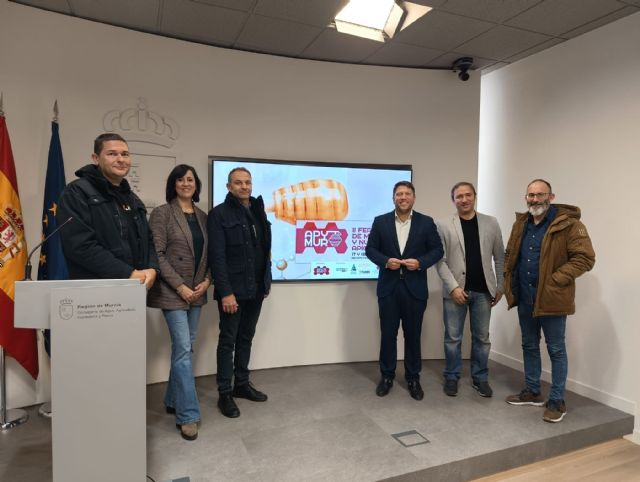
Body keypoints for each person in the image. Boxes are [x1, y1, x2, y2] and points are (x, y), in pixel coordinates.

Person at [504, 179, 595, 423]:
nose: (534, 199)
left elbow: (585, 258)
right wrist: (507, 278)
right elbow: (511, 254)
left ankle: (557, 401)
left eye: (540, 195)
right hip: (525, 297)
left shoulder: (569, 224)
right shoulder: (521, 223)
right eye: (530, 195)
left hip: (552, 298)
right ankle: (533, 391)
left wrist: (556, 279)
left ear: (551, 197)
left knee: (556, 349)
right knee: (529, 345)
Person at [147, 165, 211, 441]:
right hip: (172, 291)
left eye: (190, 180)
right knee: (184, 349)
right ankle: (188, 415)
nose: (186, 183)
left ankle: (173, 399)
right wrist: (180, 287)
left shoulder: (203, 216)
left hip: (197, 290)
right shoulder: (162, 213)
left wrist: (206, 281)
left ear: (196, 185)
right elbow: (157, 254)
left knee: (186, 347)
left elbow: (210, 254)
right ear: (173, 184)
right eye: (181, 180)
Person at [365, 181, 443, 400]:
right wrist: (384, 261)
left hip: (415, 289)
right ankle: (387, 376)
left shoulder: (426, 222)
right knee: (388, 335)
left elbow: (437, 250)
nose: (403, 197)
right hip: (388, 289)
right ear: (393, 198)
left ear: (414, 198)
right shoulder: (380, 221)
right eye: (399, 194)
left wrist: (420, 263)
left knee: (413, 335)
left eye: (407, 193)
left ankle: (413, 378)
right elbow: (370, 249)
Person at [207, 167, 271, 418]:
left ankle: (241, 384)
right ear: (229, 186)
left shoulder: (257, 210)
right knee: (228, 342)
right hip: (233, 292)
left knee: (246, 337)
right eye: (238, 183)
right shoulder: (219, 214)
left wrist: (265, 282)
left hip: (256, 289)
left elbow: (264, 250)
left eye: (247, 182)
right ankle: (224, 393)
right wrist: (225, 293)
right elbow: (217, 257)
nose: (244, 187)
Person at [58, 133, 158, 286]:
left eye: (125, 154)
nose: (120, 159)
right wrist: (127, 274)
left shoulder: (132, 198)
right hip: (96, 290)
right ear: (96, 158)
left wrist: (153, 268)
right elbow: (80, 245)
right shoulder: (77, 192)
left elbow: (148, 240)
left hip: (136, 287)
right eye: (112, 154)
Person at [436, 182, 504, 398]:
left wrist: (500, 286)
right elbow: (440, 261)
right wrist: (453, 287)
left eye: (468, 195)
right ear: (453, 200)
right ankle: (452, 376)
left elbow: (500, 257)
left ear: (475, 196)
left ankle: (480, 378)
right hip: (455, 292)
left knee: (482, 338)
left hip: (484, 291)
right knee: (452, 338)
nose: (464, 200)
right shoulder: (443, 225)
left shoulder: (491, 223)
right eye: (459, 196)